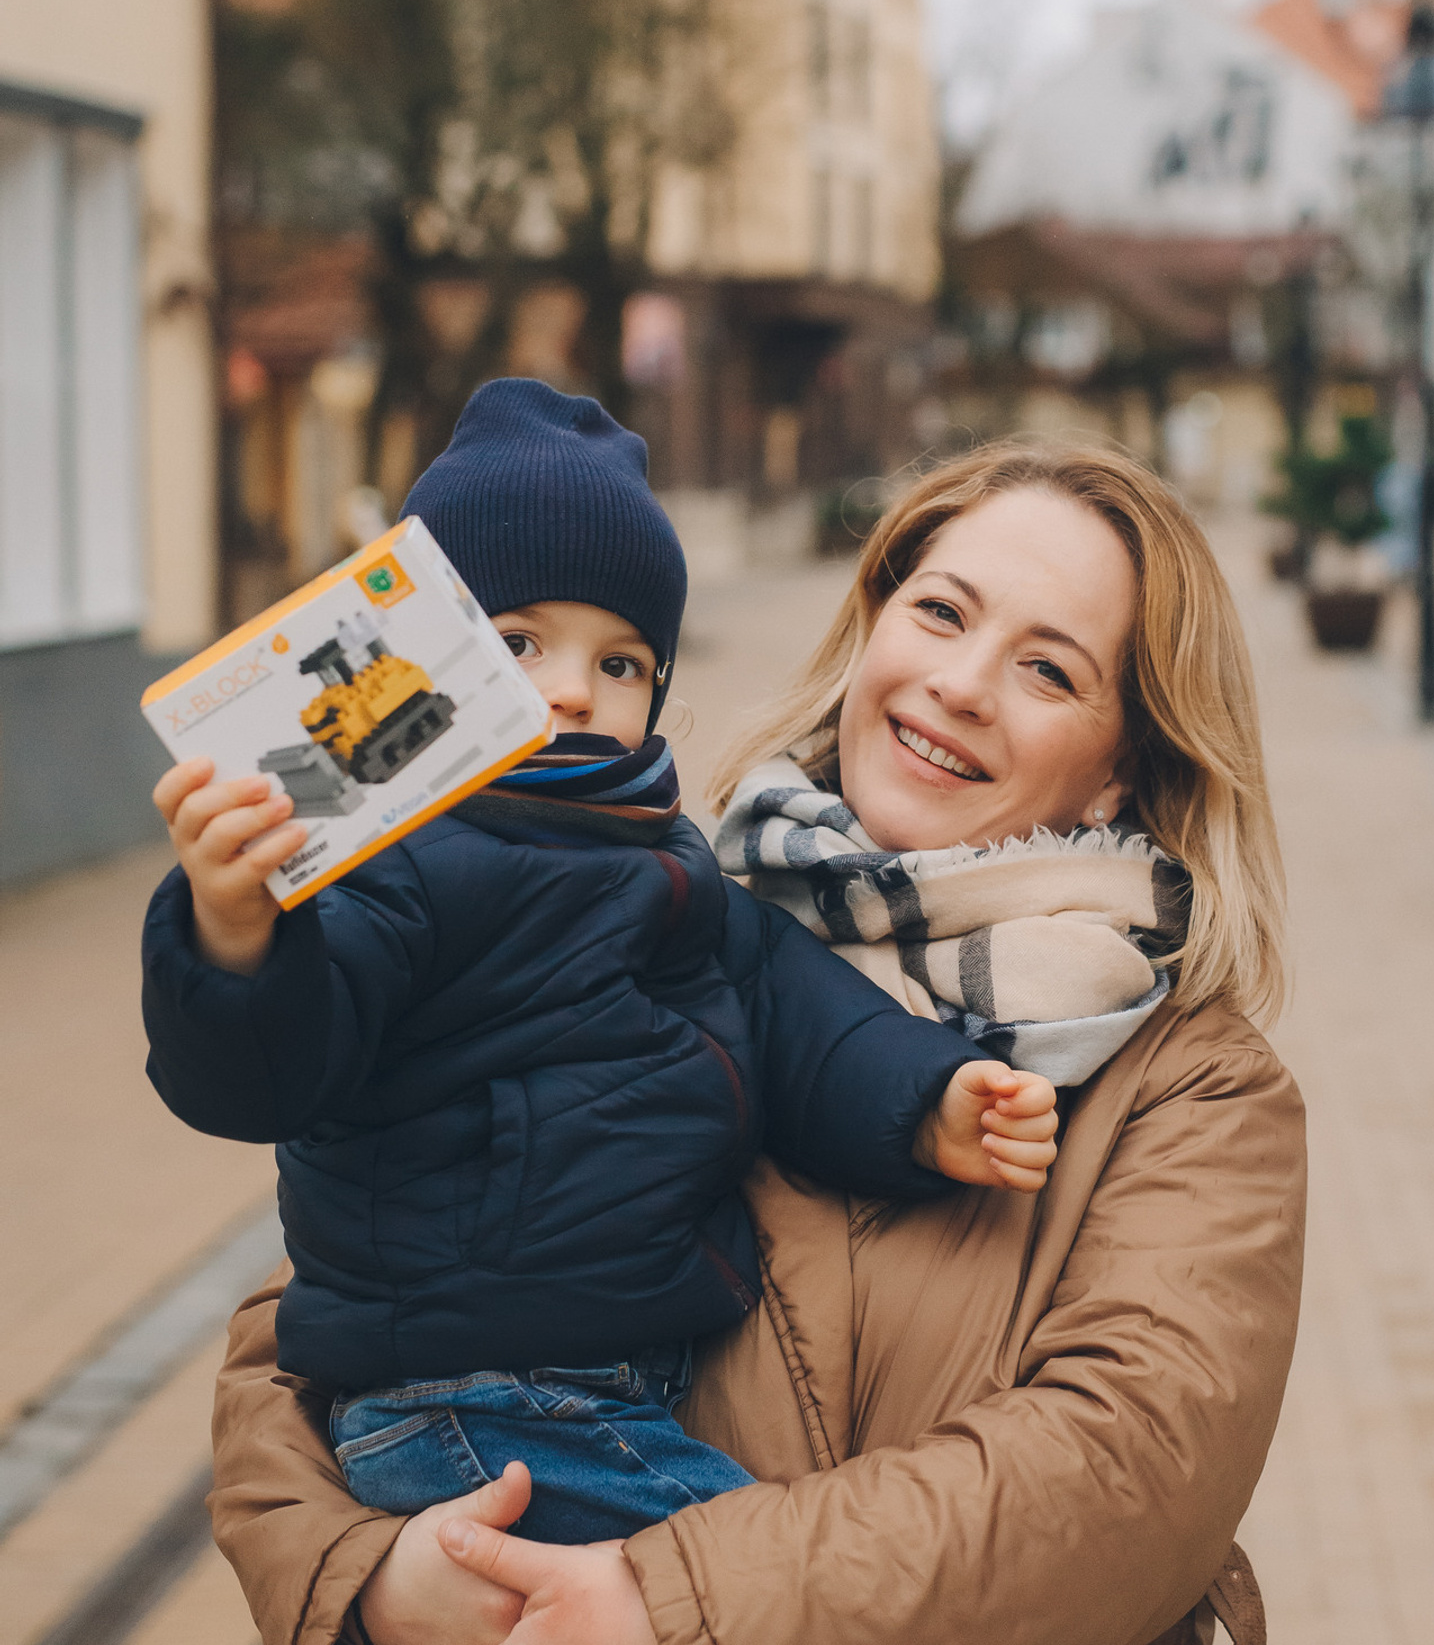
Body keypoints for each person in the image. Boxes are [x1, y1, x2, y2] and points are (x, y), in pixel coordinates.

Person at [206, 439, 1309, 1645]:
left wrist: (670, 1604)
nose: (962, 683)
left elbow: (1124, 1475)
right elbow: (295, 1350)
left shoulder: (1193, 1093)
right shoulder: (630, 910)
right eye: (941, 612)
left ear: (1120, 772)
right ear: (875, 626)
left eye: (1048, 670)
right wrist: (376, 1587)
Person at [143, 383, 1059, 1545]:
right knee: (757, 1580)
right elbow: (270, 1071)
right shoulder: (397, 858)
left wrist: (927, 1098)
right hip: (469, 1395)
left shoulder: (663, 852)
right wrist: (234, 932)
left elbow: (791, 1006)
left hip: (611, 1381)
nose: (573, 689)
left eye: (621, 664)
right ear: (415, 666)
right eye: (516, 644)